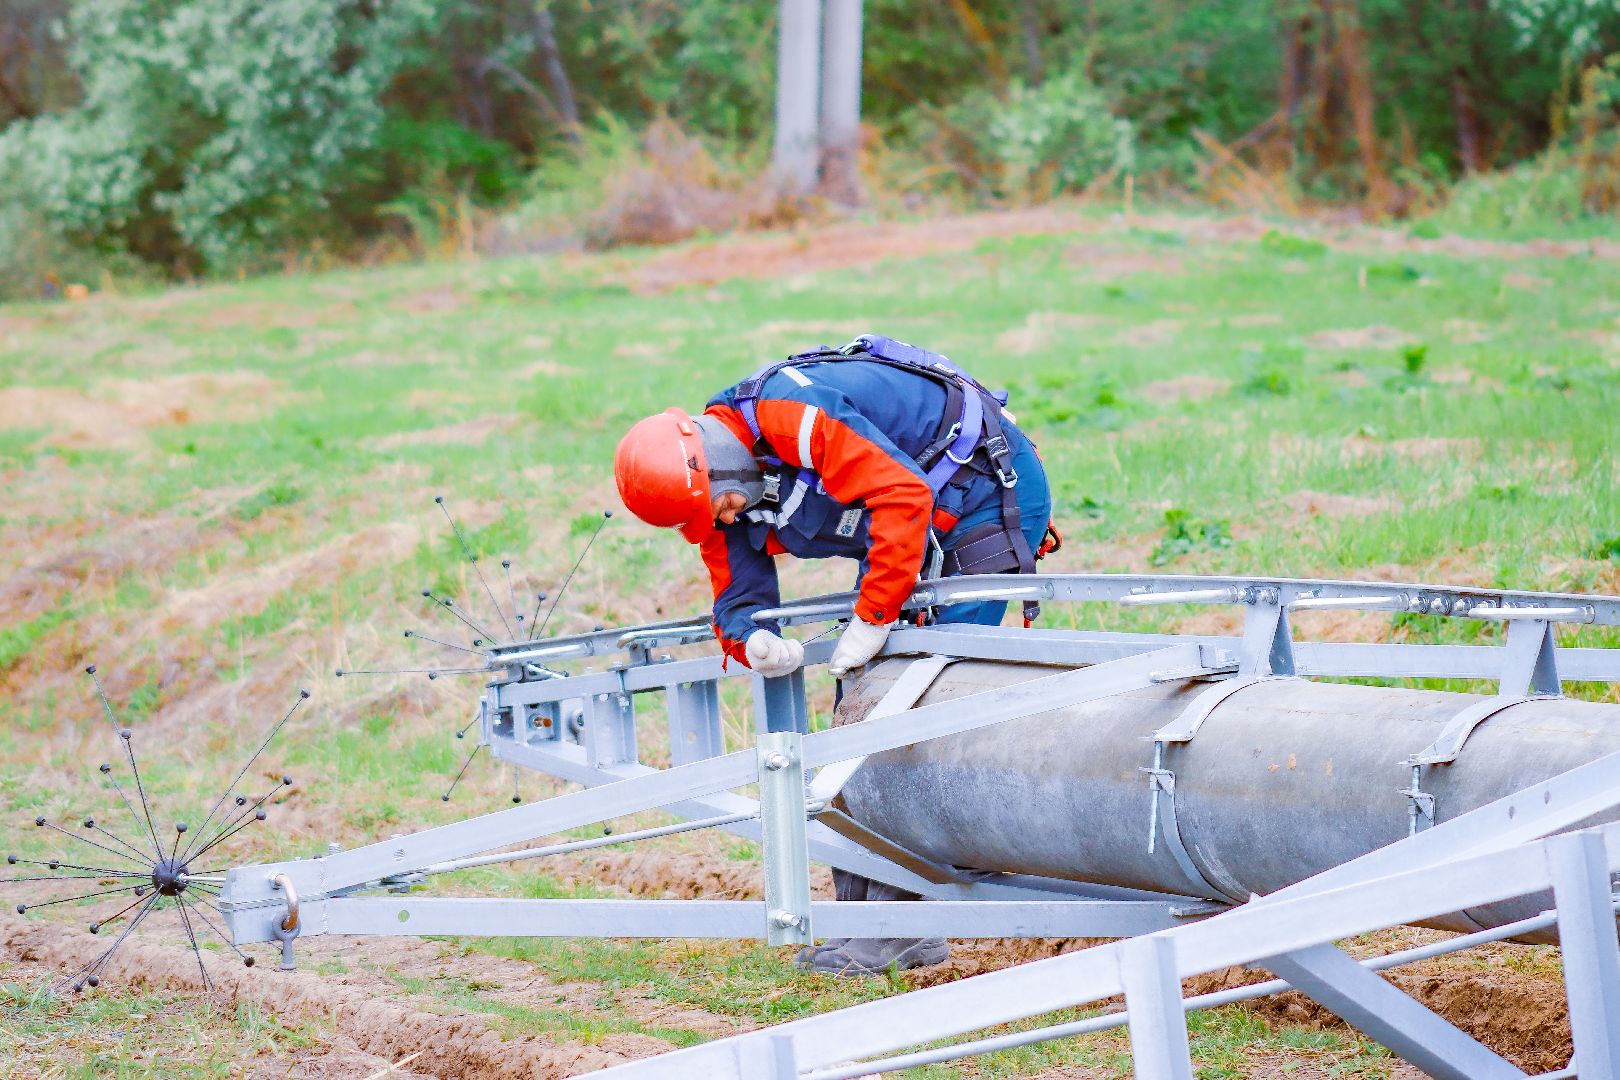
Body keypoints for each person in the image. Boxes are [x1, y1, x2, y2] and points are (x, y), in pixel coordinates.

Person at [613, 334, 1056, 975]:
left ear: (721, 463)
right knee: (867, 705)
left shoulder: (792, 416)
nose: (731, 515)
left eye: (727, 502)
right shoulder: (722, 487)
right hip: (909, 525)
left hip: (982, 494)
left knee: (929, 701)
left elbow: (901, 495)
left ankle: (904, 929)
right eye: (716, 513)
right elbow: (737, 594)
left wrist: (874, 616)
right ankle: (861, 915)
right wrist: (751, 641)